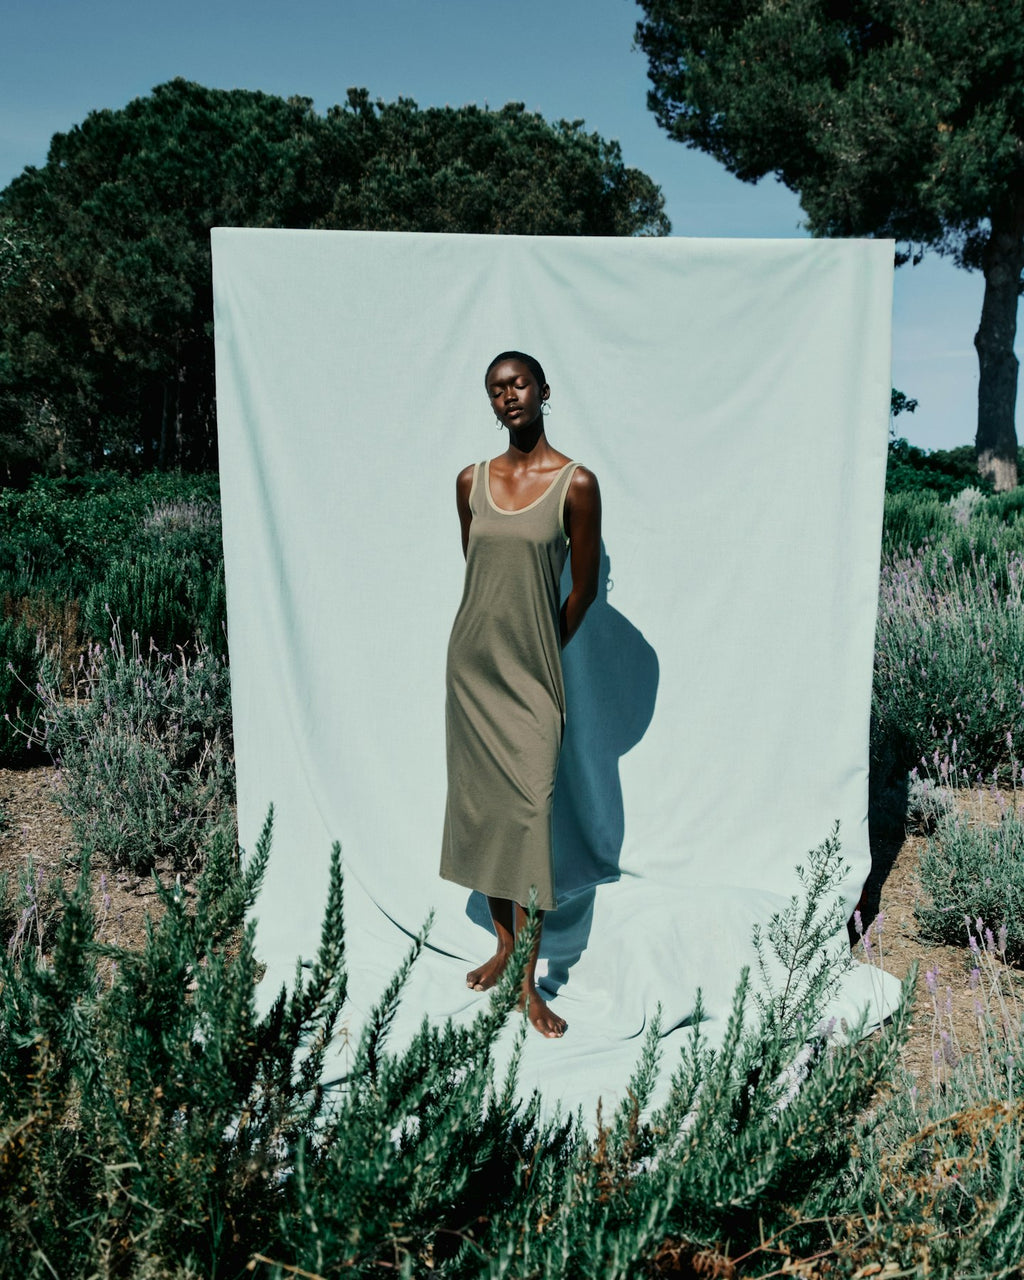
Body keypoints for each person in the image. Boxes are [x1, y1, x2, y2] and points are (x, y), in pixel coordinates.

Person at [440, 351, 601, 1038]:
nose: (508, 396)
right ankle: (505, 945)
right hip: (472, 674)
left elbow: (582, 589)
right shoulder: (470, 480)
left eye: (518, 384)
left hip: (533, 679)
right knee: (489, 814)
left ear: (542, 391)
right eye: (496, 389)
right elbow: (480, 573)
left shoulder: (577, 483)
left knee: (531, 817)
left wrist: (540, 648)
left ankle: (530, 984)